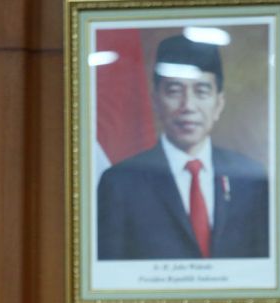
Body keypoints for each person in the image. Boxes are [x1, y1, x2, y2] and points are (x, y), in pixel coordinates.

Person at [97, 34, 269, 260]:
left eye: (201, 91)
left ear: (219, 104)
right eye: (175, 91)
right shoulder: (119, 183)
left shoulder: (251, 179)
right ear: (156, 101)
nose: (188, 106)